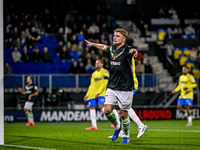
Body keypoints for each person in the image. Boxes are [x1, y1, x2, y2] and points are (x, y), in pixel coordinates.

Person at [85, 28, 138, 143]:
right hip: (113, 85)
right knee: (107, 110)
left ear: (124, 39)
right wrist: (93, 44)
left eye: (117, 36)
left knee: (124, 113)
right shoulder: (112, 48)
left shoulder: (126, 49)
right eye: (114, 36)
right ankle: (118, 127)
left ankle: (127, 135)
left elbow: (132, 51)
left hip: (125, 86)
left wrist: (134, 52)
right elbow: (103, 46)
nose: (114, 37)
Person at [108, 57, 148, 139]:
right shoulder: (120, 54)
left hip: (129, 84)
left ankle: (140, 126)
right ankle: (123, 130)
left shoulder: (126, 53)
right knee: (120, 106)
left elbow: (129, 69)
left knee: (124, 106)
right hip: (121, 85)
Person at [84, 59, 111, 130]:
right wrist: (87, 94)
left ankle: (111, 120)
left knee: (100, 106)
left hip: (101, 93)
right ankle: (94, 126)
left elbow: (105, 83)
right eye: (96, 63)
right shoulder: (94, 74)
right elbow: (91, 85)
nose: (96, 64)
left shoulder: (105, 72)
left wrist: (99, 92)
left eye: (98, 63)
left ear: (102, 64)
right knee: (92, 107)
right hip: (93, 93)